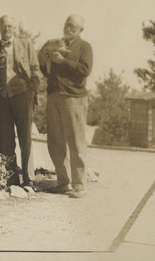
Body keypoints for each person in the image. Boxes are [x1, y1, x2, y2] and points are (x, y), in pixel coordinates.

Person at [39, 14, 93, 198]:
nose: (68, 28)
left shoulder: (85, 47)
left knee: (76, 141)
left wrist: (62, 61)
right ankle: (63, 181)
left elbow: (85, 70)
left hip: (74, 98)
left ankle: (80, 184)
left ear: (80, 30)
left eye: (73, 26)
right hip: (54, 96)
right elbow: (44, 69)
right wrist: (46, 55)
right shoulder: (55, 43)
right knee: (55, 141)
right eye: (67, 25)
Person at [0, 15, 40, 187]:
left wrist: (32, 90)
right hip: (1, 97)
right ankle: (11, 178)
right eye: (4, 27)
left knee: (25, 137)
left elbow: (35, 69)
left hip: (22, 95)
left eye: (10, 26)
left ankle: (28, 178)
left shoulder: (25, 44)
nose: (7, 30)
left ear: (14, 28)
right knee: (5, 139)